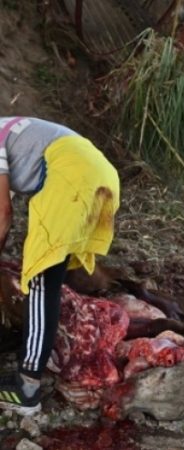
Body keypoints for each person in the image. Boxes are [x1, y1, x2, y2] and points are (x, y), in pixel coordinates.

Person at [0, 117, 120, 416]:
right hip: (99, 173)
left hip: (73, 178)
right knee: (49, 274)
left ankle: (27, 389)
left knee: (41, 280)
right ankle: (30, 367)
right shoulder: (9, 133)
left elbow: (3, 213)